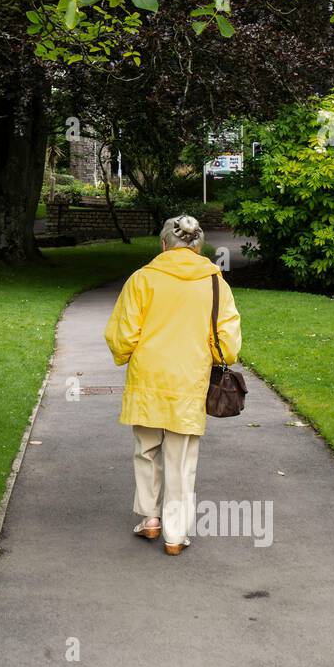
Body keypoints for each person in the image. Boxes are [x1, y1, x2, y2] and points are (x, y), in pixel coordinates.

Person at [103, 214, 242, 555]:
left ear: (164, 244)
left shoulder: (142, 280)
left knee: (146, 449)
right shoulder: (215, 283)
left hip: (148, 377)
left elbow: (122, 335)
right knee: (181, 459)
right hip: (189, 380)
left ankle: (150, 518)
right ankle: (175, 535)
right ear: (198, 246)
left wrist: (127, 354)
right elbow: (227, 341)